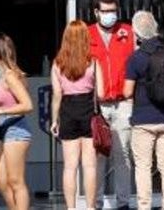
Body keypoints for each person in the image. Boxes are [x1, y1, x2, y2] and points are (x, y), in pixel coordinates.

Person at [124, 11, 164, 210]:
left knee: (143, 166)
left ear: (136, 33)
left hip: (143, 120)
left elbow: (127, 91)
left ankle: (144, 206)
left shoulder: (136, 58)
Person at [89, 0, 136, 209]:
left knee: (123, 153)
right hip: (97, 106)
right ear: (96, 12)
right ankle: (96, 202)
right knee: (97, 155)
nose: (110, 15)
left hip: (123, 102)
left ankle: (123, 202)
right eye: (105, 11)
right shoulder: (87, 35)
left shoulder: (128, 32)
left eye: (113, 11)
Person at [52, 20, 106, 210]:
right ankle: (90, 207)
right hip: (88, 112)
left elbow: (57, 94)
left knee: (69, 166)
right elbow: (100, 94)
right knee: (89, 166)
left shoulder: (58, 63)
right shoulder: (92, 61)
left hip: (67, 112)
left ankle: (71, 207)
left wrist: (54, 120)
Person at [0, 34, 34, 210]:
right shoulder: (3, 77)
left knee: (16, 180)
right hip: (1, 128)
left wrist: (1, 110)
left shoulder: (11, 76)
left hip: (15, 129)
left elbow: (27, 105)